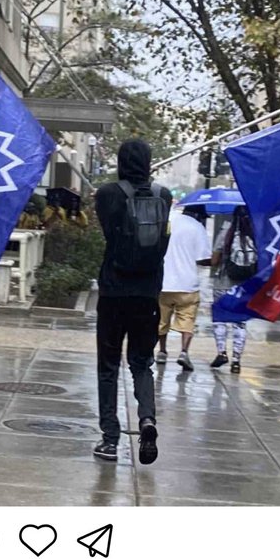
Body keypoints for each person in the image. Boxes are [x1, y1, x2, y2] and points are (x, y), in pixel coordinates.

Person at [94, 139, 172, 465]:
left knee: (109, 367)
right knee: (142, 363)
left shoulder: (107, 195)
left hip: (113, 293)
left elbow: (109, 235)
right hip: (147, 294)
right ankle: (147, 419)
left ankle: (110, 440)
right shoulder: (164, 196)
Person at [156, 205, 212, 371]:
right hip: (187, 285)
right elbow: (203, 258)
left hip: (163, 283)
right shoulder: (197, 227)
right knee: (187, 320)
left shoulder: (168, 221)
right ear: (197, 215)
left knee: (161, 320)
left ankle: (162, 352)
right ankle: (183, 352)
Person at [211, 204, 256, 374]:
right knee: (240, 323)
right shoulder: (255, 236)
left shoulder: (226, 234)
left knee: (220, 319)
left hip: (223, 283)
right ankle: (236, 360)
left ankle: (222, 352)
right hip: (244, 288)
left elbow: (215, 260)